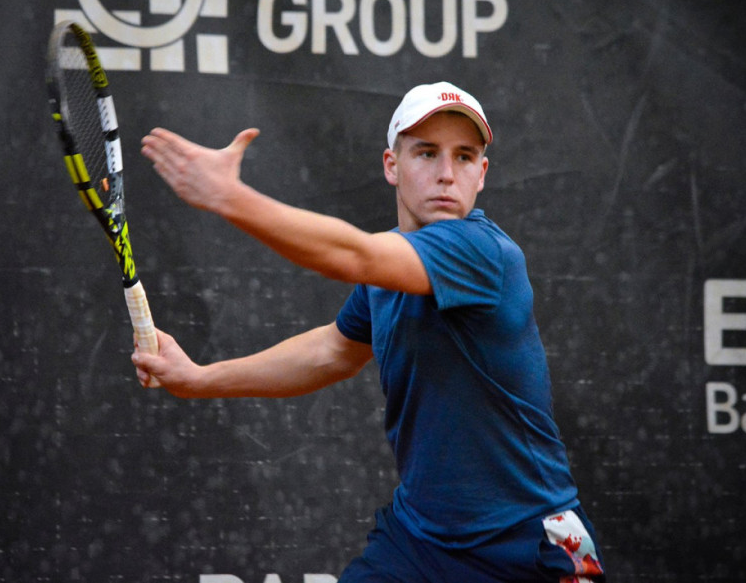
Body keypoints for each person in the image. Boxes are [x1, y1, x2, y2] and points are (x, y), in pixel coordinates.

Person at [132, 81, 605, 582]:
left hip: (526, 543)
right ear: (391, 165)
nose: (447, 174)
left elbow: (355, 255)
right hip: (419, 541)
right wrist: (200, 378)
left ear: (482, 174)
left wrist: (230, 198)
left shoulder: (484, 253)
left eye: (464, 157)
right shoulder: (388, 271)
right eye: (427, 153)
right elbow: (333, 350)